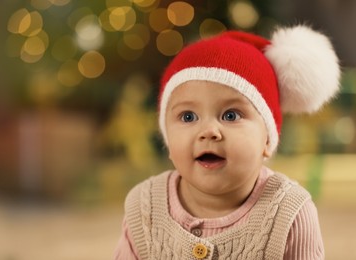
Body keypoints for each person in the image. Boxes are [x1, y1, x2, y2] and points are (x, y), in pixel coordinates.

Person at [114, 25, 341, 259]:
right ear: (168, 140)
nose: (209, 131)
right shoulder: (144, 206)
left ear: (267, 139)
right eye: (188, 117)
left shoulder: (290, 211)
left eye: (230, 115)